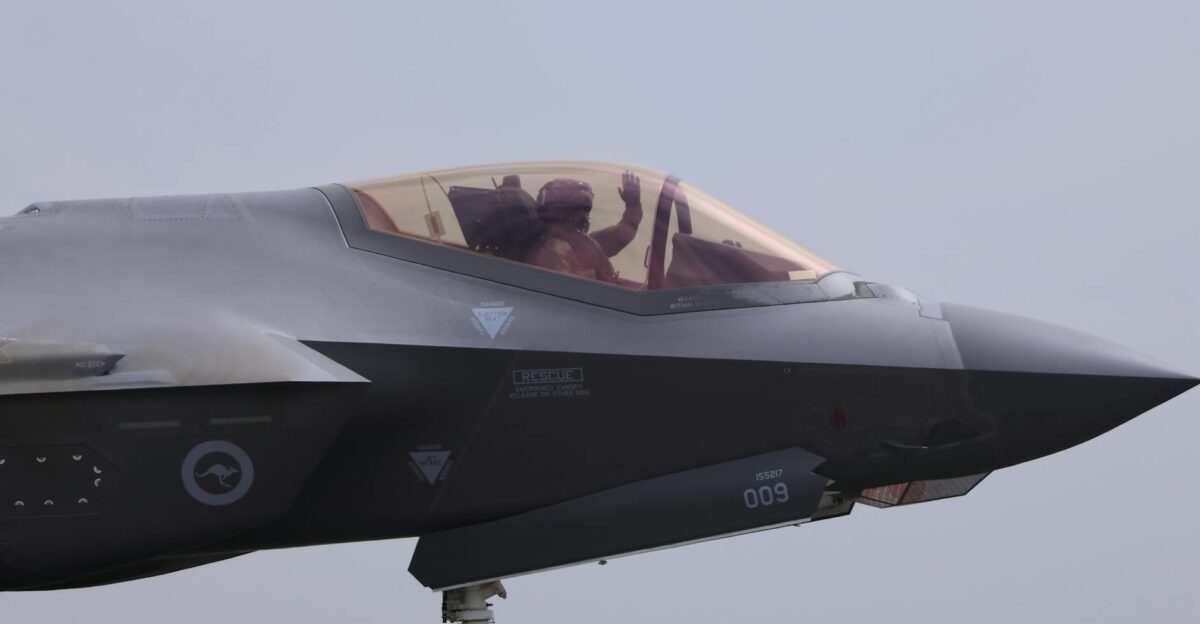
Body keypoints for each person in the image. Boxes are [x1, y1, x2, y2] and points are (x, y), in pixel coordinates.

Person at [523, 171, 643, 282]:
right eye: (578, 209)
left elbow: (620, 236)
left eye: (584, 210)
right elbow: (562, 286)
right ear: (561, 212)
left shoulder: (579, 242)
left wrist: (633, 206)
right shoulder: (552, 249)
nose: (583, 215)